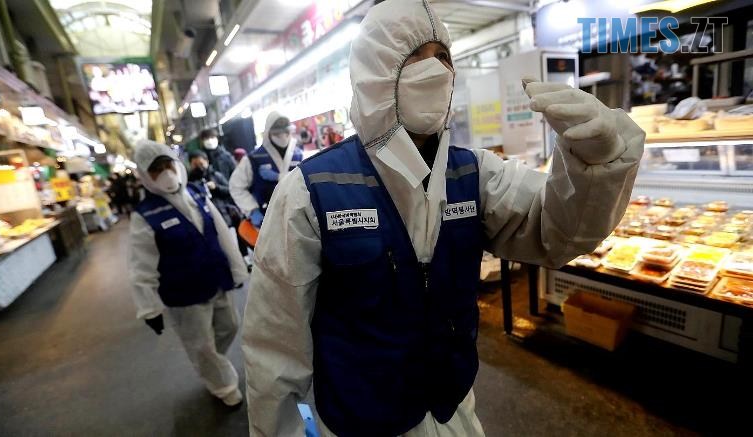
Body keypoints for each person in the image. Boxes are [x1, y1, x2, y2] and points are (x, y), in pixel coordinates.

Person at [241, 0, 645, 436]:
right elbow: (275, 346)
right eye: (414, 56)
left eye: (442, 56)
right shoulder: (311, 191)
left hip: (452, 413)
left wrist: (594, 166)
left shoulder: (474, 172)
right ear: (376, 70)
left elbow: (557, 231)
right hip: (362, 422)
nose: (434, 70)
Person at [128, 140, 249, 407]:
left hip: (216, 279)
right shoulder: (145, 215)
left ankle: (212, 363)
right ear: (145, 175)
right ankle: (224, 386)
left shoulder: (196, 193)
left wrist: (237, 269)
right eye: (156, 169)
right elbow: (141, 265)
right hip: (184, 293)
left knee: (230, 325)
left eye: (168, 165)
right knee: (201, 344)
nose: (166, 173)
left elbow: (221, 232)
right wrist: (149, 308)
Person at [228, 111, 304, 228]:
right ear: (268, 133)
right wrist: (252, 210)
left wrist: (279, 177)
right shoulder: (253, 159)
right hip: (267, 220)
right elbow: (236, 186)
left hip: (297, 218)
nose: (283, 136)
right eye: (278, 133)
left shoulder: (299, 155)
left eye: (286, 132)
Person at [188, 150, 236, 227]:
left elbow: (230, 191)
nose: (199, 167)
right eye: (195, 165)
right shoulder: (190, 183)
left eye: (201, 164)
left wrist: (216, 187)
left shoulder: (216, 175)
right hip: (206, 221)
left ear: (207, 161)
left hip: (224, 216)